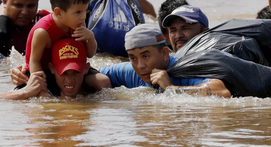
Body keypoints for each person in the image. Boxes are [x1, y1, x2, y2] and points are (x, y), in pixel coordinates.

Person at [97, 24, 231, 96]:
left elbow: (222, 92)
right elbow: (93, 73)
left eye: (146, 56)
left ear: (165, 54)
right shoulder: (130, 71)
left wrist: (171, 88)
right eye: (133, 58)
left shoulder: (183, 69)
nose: (140, 65)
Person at [24, 0, 102, 90]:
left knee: (104, 82)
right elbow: (34, 61)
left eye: (85, 11)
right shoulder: (43, 32)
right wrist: (40, 86)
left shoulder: (78, 23)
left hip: (71, 67)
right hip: (45, 71)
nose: (83, 16)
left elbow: (90, 54)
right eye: (78, 12)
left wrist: (91, 38)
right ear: (58, 13)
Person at [0, 38, 94, 100]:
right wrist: (25, 92)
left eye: (75, 72)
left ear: (86, 69)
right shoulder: (43, 87)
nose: (69, 80)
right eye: (63, 73)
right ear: (52, 68)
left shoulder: (94, 86)